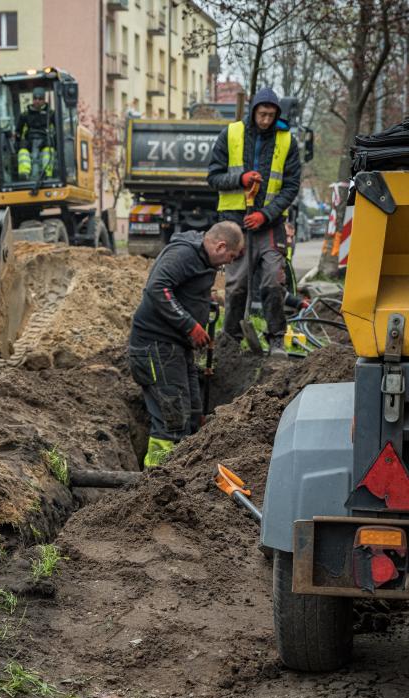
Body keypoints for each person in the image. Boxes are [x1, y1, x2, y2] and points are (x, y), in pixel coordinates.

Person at [129, 222, 244, 468]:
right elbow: (157, 288)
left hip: (176, 348)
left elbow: (181, 288)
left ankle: (187, 472)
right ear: (221, 245)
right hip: (156, 346)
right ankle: (155, 478)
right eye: (230, 257)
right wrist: (190, 324)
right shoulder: (184, 254)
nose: (229, 263)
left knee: (193, 412)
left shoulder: (203, 259)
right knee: (172, 417)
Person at [207, 87, 301, 358]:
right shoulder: (231, 134)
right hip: (236, 224)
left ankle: (276, 339)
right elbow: (213, 177)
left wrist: (267, 213)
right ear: (253, 111)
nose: (266, 121)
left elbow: (291, 186)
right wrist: (241, 179)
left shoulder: (287, 141)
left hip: (270, 225)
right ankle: (231, 341)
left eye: (271, 115)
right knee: (236, 285)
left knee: (273, 281)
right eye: (262, 114)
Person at [16, 87, 55, 180]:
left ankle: (47, 174)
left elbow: (57, 130)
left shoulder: (51, 114)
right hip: (29, 142)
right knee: (22, 152)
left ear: (44, 100)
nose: (37, 101)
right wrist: (19, 143)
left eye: (40, 99)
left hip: (45, 142)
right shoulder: (25, 115)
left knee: (48, 152)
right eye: (35, 98)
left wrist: (53, 141)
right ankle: (24, 174)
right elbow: (18, 131)